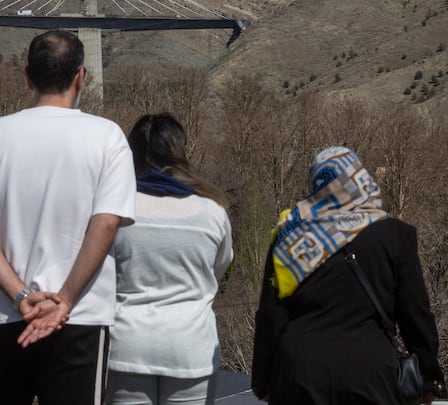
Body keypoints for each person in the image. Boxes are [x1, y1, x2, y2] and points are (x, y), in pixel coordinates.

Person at [0, 30, 137, 405]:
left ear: (27, 76)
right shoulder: (107, 137)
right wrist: (64, 300)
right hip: (80, 316)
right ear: (81, 76)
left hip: (3, 316)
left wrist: (21, 295)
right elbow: (107, 223)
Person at [251, 146, 446, 405]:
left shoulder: (290, 236)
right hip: (371, 374)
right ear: (358, 179)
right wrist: (430, 377)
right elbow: (415, 312)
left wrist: (263, 381)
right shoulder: (395, 235)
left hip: (299, 374)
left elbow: (270, 315)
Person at [106, 113, 233, 405]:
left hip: (127, 346)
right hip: (191, 348)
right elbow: (219, 267)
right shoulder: (211, 211)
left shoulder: (115, 209)